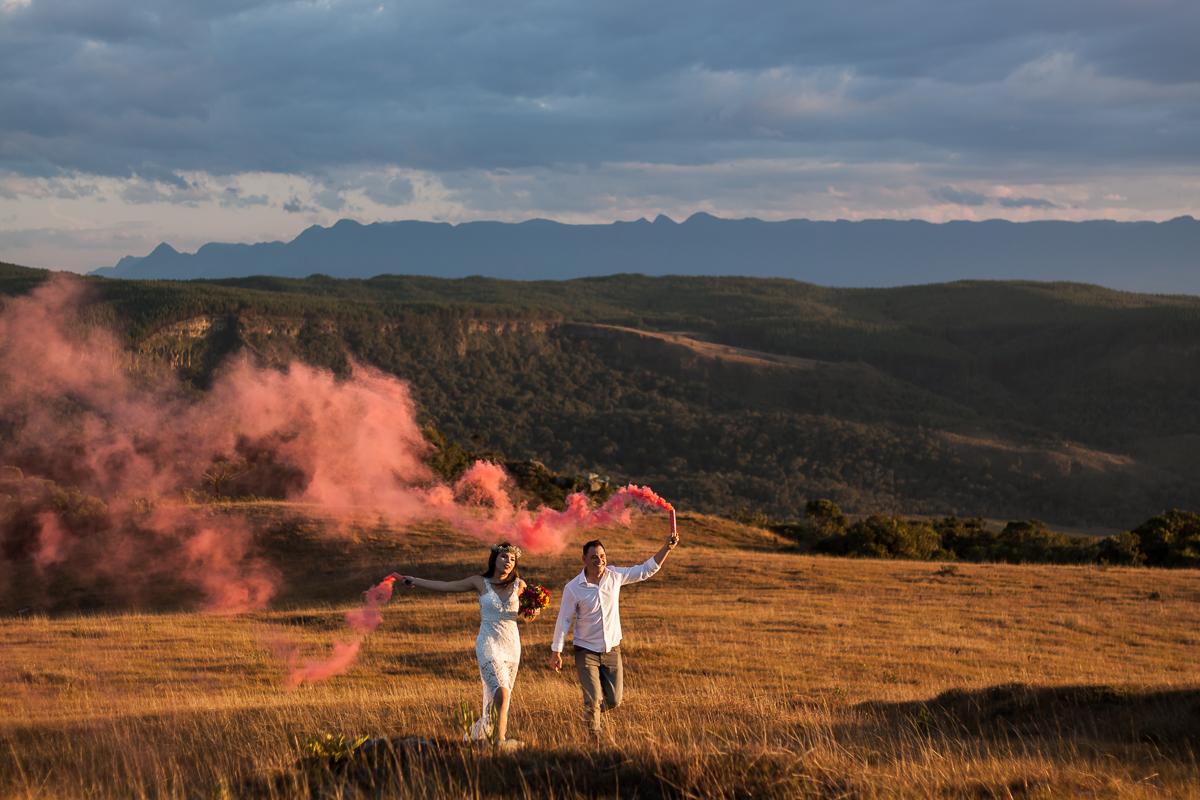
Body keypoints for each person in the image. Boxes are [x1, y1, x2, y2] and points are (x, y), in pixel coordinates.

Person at [391, 542, 537, 747]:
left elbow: (528, 616)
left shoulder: (519, 585)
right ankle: (500, 742)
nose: (508, 561)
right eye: (504, 557)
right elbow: (446, 586)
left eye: (512, 559)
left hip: (511, 645)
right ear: (494, 559)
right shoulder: (480, 582)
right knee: (502, 693)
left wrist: (534, 610)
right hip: (488, 643)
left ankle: (491, 739)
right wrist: (415, 581)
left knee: (503, 696)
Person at [550, 530, 678, 737]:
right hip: (586, 650)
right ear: (584, 559)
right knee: (593, 699)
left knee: (614, 700)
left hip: (612, 650)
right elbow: (564, 620)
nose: (599, 560)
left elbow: (645, 570)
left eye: (602, 556)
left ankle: (591, 714)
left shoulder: (615, 576)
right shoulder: (573, 588)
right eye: (594, 556)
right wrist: (557, 651)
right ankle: (594, 740)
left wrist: (666, 549)